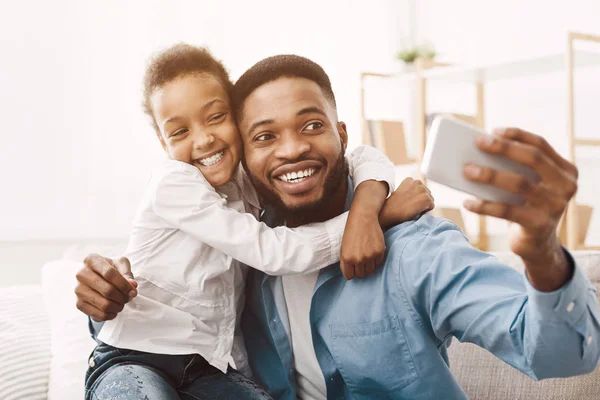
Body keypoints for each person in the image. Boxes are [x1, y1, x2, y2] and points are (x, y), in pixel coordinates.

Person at [77, 54, 600, 400]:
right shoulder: (247, 248)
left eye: (311, 126)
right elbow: (178, 308)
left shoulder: (417, 251)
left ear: (341, 135)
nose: (291, 149)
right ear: (244, 154)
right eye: (264, 136)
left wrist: (543, 255)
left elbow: (560, 354)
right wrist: (112, 295)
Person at [79, 45, 434, 400]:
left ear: (236, 117)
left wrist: (367, 204)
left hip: (207, 367)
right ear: (163, 142)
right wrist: (376, 217)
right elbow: (275, 253)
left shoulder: (245, 181)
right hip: (136, 357)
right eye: (179, 132)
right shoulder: (173, 184)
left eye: (215, 117)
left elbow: (358, 156)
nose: (203, 140)